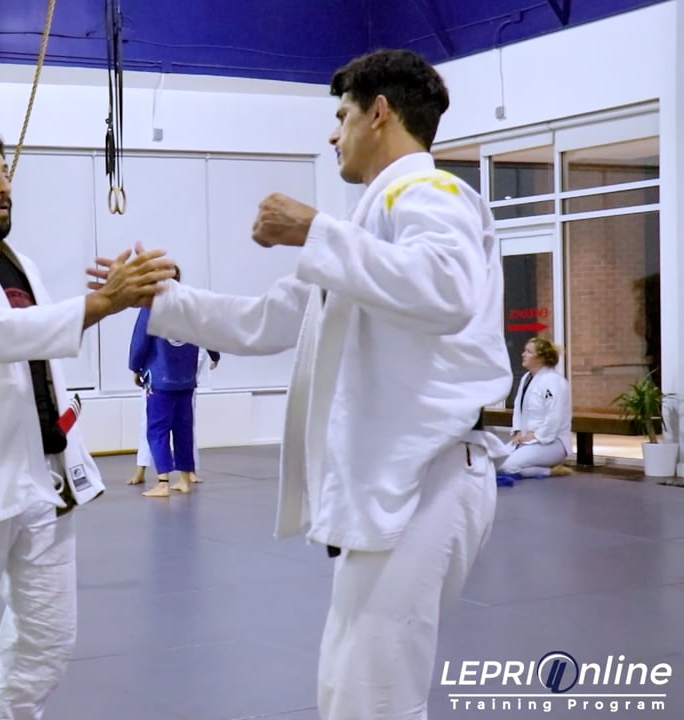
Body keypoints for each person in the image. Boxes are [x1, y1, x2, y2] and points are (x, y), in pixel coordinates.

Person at [102, 49, 513, 719]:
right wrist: (162, 299)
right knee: (348, 686)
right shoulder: (364, 231)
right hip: (394, 483)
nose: (332, 134)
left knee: (375, 697)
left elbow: (448, 288)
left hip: (430, 477)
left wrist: (313, 229)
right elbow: (269, 319)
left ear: (379, 113)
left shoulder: (429, 194)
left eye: (342, 116)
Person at [0, 129, 172, 720]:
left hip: (43, 481)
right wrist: (103, 303)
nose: (3, 185)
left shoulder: (24, 269)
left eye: (3, 171)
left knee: (46, 644)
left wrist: (109, 296)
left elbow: (39, 346)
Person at [126, 266, 219, 497]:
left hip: (160, 379)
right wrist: (215, 355)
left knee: (157, 430)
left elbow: (141, 339)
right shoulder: (191, 304)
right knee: (184, 429)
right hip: (186, 378)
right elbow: (207, 330)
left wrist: (135, 367)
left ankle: (163, 482)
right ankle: (185, 479)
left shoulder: (152, 305)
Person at [127, 346, 218, 488]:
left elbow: (206, 332)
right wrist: (135, 366)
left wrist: (135, 367)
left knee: (182, 423)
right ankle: (143, 467)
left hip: (182, 366)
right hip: (165, 366)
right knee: (157, 422)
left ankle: (185, 472)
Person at [497, 337, 573, 483]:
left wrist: (537, 435)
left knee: (507, 467)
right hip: (527, 439)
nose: (523, 354)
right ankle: (535, 464)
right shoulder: (526, 378)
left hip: (552, 442)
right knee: (494, 463)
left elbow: (554, 416)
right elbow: (518, 408)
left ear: (541, 358)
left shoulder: (553, 381)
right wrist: (518, 431)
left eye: (529, 352)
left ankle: (549, 471)